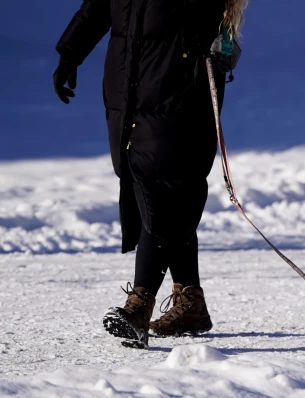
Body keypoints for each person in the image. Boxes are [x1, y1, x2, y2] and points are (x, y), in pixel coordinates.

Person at [54, 0, 248, 348]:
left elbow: (216, 20)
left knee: (163, 185)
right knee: (151, 185)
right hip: (126, 87)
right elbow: (96, 8)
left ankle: (139, 305)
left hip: (177, 89)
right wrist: (70, 53)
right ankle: (190, 301)